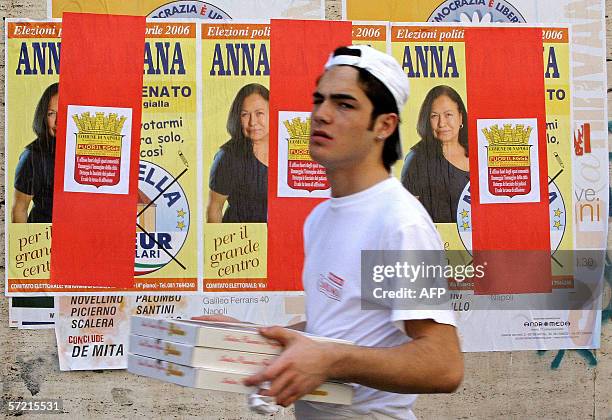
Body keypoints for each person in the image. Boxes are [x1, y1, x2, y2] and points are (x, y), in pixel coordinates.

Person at [199, 45, 463, 419]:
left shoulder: (399, 223)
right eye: (319, 100)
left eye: (344, 105)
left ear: (384, 126)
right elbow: (340, 328)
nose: (321, 115)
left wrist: (332, 360)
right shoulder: (321, 217)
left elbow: (443, 364)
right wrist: (249, 338)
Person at [401, 85, 469, 223]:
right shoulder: (417, 159)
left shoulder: (480, 152)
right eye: (434, 116)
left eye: (448, 115)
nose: (441, 123)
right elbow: (406, 218)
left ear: (461, 117)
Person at [207, 83, 269, 223]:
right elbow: (215, 208)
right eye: (245, 114)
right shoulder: (228, 157)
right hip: (239, 240)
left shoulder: (287, 148)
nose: (253, 122)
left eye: (259, 113)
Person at [12, 82, 59, 223]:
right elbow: (19, 210)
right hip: (42, 238)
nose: (58, 121)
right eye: (51, 113)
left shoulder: (88, 151)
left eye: (65, 111)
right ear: (43, 116)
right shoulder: (33, 156)